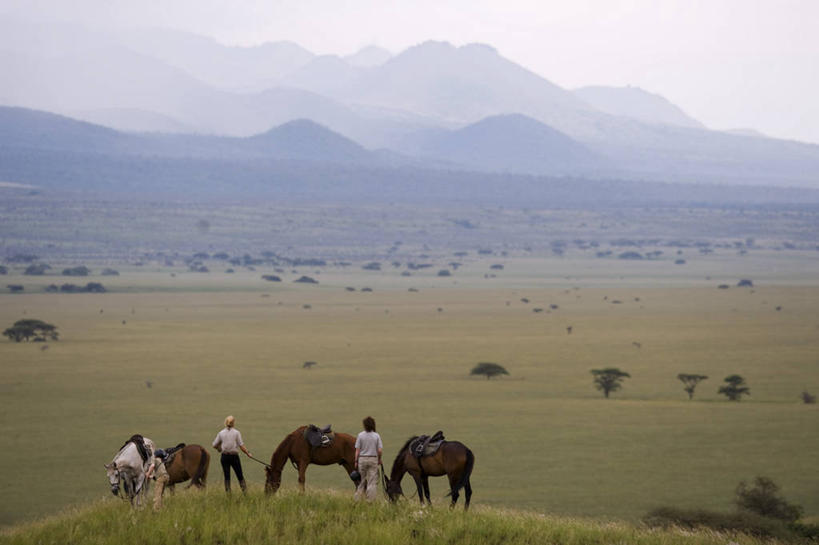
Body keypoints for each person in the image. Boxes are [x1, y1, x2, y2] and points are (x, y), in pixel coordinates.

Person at [212, 415, 252, 493]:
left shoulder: (221, 433)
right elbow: (241, 446)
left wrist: (219, 449)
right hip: (234, 457)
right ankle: (245, 493)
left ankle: (228, 495)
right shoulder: (236, 433)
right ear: (233, 423)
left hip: (224, 457)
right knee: (240, 475)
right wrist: (248, 453)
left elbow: (214, 445)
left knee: (227, 477)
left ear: (225, 422)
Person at [354, 416, 383, 501]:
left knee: (361, 481)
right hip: (373, 459)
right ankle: (370, 501)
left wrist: (356, 461)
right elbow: (380, 451)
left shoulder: (360, 435)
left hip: (362, 459)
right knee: (372, 482)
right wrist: (379, 459)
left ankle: (357, 500)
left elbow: (357, 450)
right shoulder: (376, 436)